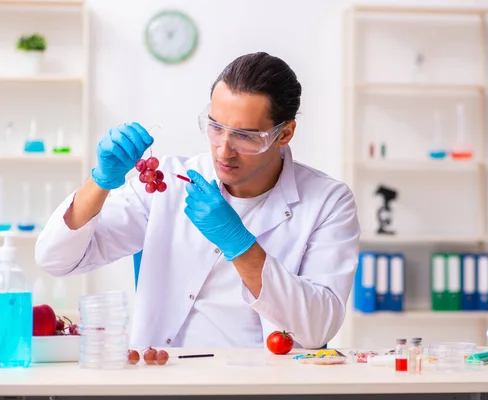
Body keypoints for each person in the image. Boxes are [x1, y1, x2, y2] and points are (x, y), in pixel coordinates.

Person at [35, 52, 360, 349]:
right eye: (216, 127)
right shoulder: (170, 182)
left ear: (284, 133)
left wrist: (241, 246)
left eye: (245, 136)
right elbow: (56, 260)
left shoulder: (327, 201)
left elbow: (318, 328)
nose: (223, 149)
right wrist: (100, 182)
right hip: (164, 378)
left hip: (261, 384)